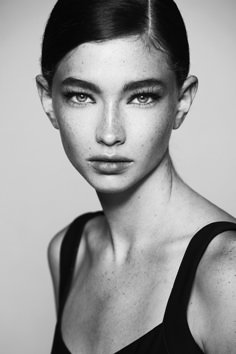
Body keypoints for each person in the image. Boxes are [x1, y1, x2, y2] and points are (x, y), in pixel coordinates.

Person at [36, 0, 236, 353]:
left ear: (182, 100)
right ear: (49, 100)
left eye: (141, 97)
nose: (110, 133)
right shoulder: (69, 252)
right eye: (81, 96)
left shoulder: (226, 275)